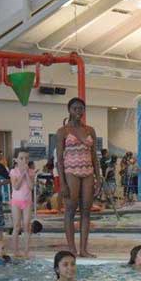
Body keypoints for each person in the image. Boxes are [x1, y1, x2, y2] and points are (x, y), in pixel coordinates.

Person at [56, 97, 103, 257]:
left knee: (86, 211)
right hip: (71, 172)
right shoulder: (62, 131)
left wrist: (99, 176)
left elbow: (94, 156)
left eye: (81, 109)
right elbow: (59, 160)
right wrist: (62, 182)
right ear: (69, 110)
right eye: (75, 108)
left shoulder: (90, 130)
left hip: (88, 171)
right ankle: (71, 248)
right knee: (70, 209)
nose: (78, 112)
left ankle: (83, 249)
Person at [9, 149, 35, 257]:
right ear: (16, 160)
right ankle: (15, 250)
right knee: (16, 226)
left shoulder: (31, 171)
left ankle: (26, 250)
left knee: (27, 226)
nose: (24, 160)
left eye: (26, 158)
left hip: (27, 202)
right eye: (21, 158)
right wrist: (22, 174)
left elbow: (31, 187)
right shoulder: (13, 172)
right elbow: (16, 186)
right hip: (16, 202)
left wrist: (27, 174)